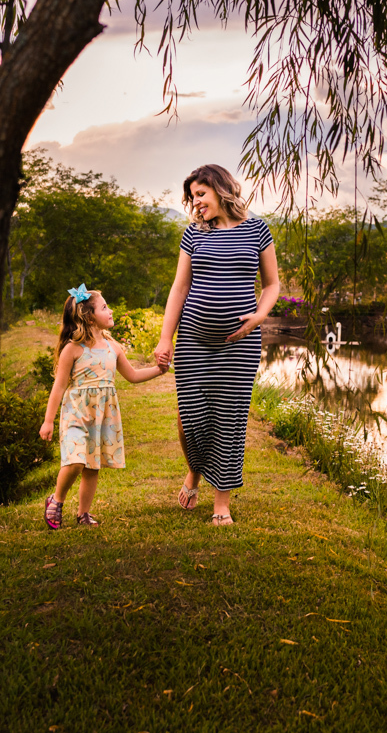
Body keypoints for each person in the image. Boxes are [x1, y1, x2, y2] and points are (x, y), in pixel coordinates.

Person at [153, 164, 280, 526]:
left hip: (239, 345)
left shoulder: (257, 230)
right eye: (193, 197)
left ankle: (220, 503)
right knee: (189, 417)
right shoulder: (193, 234)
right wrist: (166, 339)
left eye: (201, 195)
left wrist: (259, 316)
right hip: (194, 341)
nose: (196, 203)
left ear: (220, 189)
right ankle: (194, 471)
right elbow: (179, 288)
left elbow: (272, 284)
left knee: (230, 419)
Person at [40, 284, 167, 529]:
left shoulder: (113, 347)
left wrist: (159, 370)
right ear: (89, 317)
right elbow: (58, 387)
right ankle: (56, 500)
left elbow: (132, 375)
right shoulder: (72, 349)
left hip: (102, 416)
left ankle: (83, 513)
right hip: (76, 413)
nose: (110, 312)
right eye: (105, 307)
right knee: (75, 462)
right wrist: (48, 420)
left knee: (91, 466)